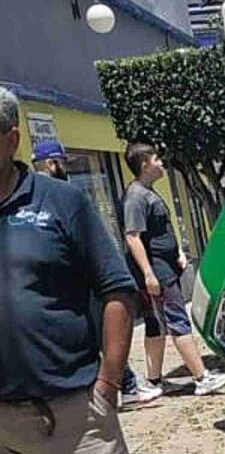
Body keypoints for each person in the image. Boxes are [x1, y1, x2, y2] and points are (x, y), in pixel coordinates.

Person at [0, 87, 138, 454]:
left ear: (11, 139)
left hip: (74, 418)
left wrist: (109, 384)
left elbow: (117, 288)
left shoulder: (61, 202)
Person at [32, 139, 163, 408]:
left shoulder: (32, 197)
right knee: (106, 331)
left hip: (59, 286)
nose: (67, 168)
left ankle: (120, 384)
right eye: (64, 162)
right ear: (52, 163)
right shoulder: (61, 196)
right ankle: (125, 385)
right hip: (80, 280)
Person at [122, 142, 225, 396]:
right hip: (157, 271)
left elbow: (160, 230)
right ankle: (202, 378)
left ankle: (153, 381)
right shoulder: (135, 197)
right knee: (177, 320)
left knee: (155, 325)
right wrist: (148, 273)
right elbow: (133, 237)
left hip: (166, 266)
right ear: (145, 165)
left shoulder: (148, 192)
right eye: (157, 159)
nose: (162, 163)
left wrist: (178, 252)